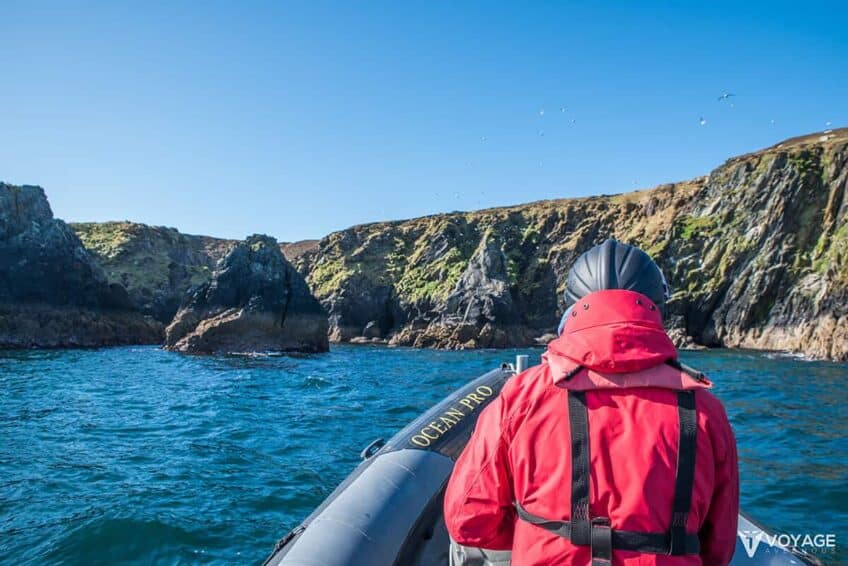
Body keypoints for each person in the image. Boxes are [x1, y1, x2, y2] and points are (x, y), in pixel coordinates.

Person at [444, 239, 739, 565]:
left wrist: (539, 538)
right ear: (658, 308)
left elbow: (467, 520)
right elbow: (719, 547)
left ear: (571, 309)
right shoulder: (706, 412)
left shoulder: (521, 397)